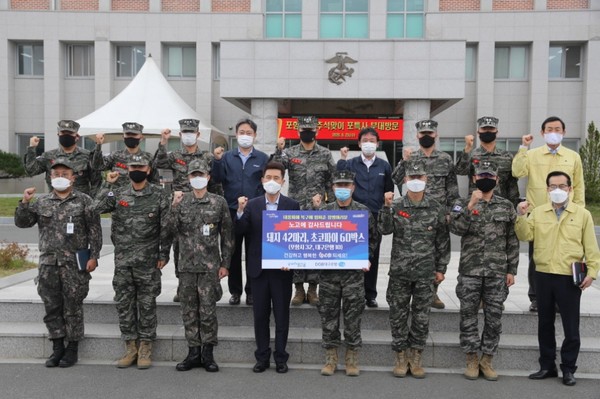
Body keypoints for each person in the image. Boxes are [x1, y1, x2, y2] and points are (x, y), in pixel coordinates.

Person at [15, 157, 102, 368]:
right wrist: (25, 202)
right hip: (49, 264)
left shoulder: (84, 201)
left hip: (74, 263)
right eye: (56, 174)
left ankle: (72, 348)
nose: (60, 177)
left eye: (65, 174)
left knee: (73, 305)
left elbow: (94, 230)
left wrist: (94, 256)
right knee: (52, 306)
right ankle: (57, 347)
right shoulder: (42, 201)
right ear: (50, 177)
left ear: (73, 178)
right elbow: (22, 223)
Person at [515, 171, 598, 387]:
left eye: (562, 186)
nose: (558, 190)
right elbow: (525, 236)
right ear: (547, 189)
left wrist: (592, 273)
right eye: (553, 186)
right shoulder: (538, 212)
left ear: (570, 189)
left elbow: (591, 247)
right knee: (545, 323)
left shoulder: (582, 215)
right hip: (543, 275)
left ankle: (569, 368)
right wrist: (521, 215)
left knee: (571, 326)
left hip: (568, 277)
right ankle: (547, 365)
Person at [91, 154, 170, 370]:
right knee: (124, 304)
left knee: (146, 304)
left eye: (140, 166)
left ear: (148, 169)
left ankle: (145, 347)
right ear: (127, 168)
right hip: (123, 261)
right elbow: (95, 207)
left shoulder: (160, 195)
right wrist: (108, 183)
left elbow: (166, 227)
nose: (136, 169)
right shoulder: (116, 193)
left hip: (148, 261)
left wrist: (164, 254)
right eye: (133, 166)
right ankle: (130, 347)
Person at [378, 160, 449, 379]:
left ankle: (416, 356)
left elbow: (442, 241)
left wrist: (441, 268)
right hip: (400, 272)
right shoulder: (396, 205)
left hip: (425, 273)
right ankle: (401, 356)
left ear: (426, 180)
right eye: (412, 178)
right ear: (405, 180)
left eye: (420, 178)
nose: (416, 181)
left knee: (421, 317)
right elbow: (385, 229)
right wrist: (386, 208)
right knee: (398, 315)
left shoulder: (436, 207)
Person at [449, 161, 519, 381]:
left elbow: (512, 239)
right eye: (481, 175)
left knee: (494, 317)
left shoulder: (506, 206)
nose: (485, 178)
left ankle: (487, 359)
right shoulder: (461, 203)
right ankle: (471, 358)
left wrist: (512, 269)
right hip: (470, 271)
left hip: (497, 272)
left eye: (490, 175)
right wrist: (470, 205)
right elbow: (456, 229)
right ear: (474, 179)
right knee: (468, 316)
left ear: (497, 180)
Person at [512, 116, 585, 312]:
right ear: (542, 133)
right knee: (537, 257)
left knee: (564, 256)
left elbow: (578, 186)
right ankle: (537, 297)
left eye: (558, 129)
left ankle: (561, 297)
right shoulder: (533, 154)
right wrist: (523, 148)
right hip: (539, 215)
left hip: (565, 214)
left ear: (564, 132)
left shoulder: (573, 156)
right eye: (549, 129)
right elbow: (517, 172)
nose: (554, 132)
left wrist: (580, 211)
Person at [166, 159, 233, 373]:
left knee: (208, 311)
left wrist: (226, 264)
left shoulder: (218, 202)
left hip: (209, 268)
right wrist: (174, 207)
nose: (197, 178)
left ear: (208, 177)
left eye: (201, 174)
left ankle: (208, 353)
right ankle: (193, 352)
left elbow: (227, 236)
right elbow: (169, 230)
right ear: (188, 178)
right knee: (188, 311)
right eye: (193, 175)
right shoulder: (180, 201)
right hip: (186, 267)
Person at [311, 170, 378, 377]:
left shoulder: (363, 212)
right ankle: (331, 358)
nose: (342, 189)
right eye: (339, 185)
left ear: (353, 187)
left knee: (353, 317)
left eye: (346, 185)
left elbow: (373, 239)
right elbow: (313, 238)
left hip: (353, 277)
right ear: (332, 188)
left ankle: (351, 358)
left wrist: (366, 256)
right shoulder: (324, 211)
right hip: (329, 276)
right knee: (328, 317)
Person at [235, 161, 300, 374]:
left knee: (282, 316)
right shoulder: (252, 205)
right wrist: (240, 212)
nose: (272, 182)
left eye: (276, 178)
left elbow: (296, 237)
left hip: (282, 271)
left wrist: (290, 260)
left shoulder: (292, 205)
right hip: (259, 270)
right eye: (268, 178)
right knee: (260, 316)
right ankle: (262, 357)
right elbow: (241, 232)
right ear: (262, 180)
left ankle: (281, 357)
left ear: (283, 181)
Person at [392, 119, 458, 309]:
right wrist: (403, 161)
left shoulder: (445, 159)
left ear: (436, 135)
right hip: (413, 213)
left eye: (430, 133)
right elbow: (396, 180)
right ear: (417, 135)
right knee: (414, 252)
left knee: (437, 252)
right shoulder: (412, 157)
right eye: (423, 133)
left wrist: (450, 212)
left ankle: (433, 292)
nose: (426, 136)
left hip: (437, 214)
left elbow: (452, 190)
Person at [271, 116, 336, 306]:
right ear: (298, 132)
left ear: (317, 131)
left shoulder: (325, 154)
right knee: (297, 249)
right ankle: (298, 289)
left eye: (311, 129)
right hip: (296, 208)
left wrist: (329, 207)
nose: (307, 132)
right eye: (304, 129)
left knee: (315, 250)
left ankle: (313, 289)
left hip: (318, 210)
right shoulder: (290, 153)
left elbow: (331, 182)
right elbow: (276, 170)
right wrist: (278, 150)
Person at [155, 119, 221, 302]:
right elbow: (158, 163)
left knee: (205, 246)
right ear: (180, 134)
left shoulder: (206, 156)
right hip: (182, 206)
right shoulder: (174, 154)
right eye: (185, 131)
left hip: (204, 206)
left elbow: (215, 182)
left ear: (198, 134)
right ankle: (182, 284)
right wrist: (163, 141)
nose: (188, 135)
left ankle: (208, 285)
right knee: (180, 247)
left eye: (192, 131)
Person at [212, 118, 269, 306]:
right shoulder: (227, 157)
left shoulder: (262, 158)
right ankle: (235, 291)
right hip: (231, 210)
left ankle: (252, 291)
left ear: (255, 135)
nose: (245, 136)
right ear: (236, 135)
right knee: (233, 253)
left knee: (253, 253)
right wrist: (217, 161)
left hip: (254, 211)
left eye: (249, 133)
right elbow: (217, 179)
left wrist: (258, 202)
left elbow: (266, 183)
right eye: (242, 132)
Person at [338, 127, 394, 308]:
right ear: (359, 143)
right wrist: (342, 160)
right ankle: (349, 292)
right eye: (365, 140)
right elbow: (340, 181)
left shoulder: (384, 166)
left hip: (375, 217)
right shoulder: (351, 163)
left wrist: (387, 204)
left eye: (372, 140)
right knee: (351, 254)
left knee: (372, 256)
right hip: (354, 217)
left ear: (377, 144)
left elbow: (389, 189)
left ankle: (370, 294)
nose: (368, 143)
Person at [23, 120, 101, 196]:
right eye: (63, 133)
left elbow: (96, 182)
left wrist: (91, 203)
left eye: (70, 133)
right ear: (58, 135)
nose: (66, 136)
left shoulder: (87, 156)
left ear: (77, 136)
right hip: (54, 204)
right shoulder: (48, 156)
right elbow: (31, 170)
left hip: (80, 204)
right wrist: (32, 148)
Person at [455, 116, 519, 205]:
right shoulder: (471, 154)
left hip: (501, 207)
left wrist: (514, 205)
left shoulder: (507, 156)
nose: (487, 131)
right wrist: (467, 148)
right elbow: (460, 171)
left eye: (491, 129)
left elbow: (512, 184)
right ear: (478, 132)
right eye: (484, 129)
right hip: (476, 205)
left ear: (497, 132)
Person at [93, 122, 159, 189]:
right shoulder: (115, 156)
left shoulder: (148, 158)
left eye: (134, 134)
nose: (130, 137)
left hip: (141, 197)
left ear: (141, 137)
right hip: (118, 197)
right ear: (123, 137)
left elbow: (155, 182)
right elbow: (97, 166)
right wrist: (98, 145)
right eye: (128, 134)